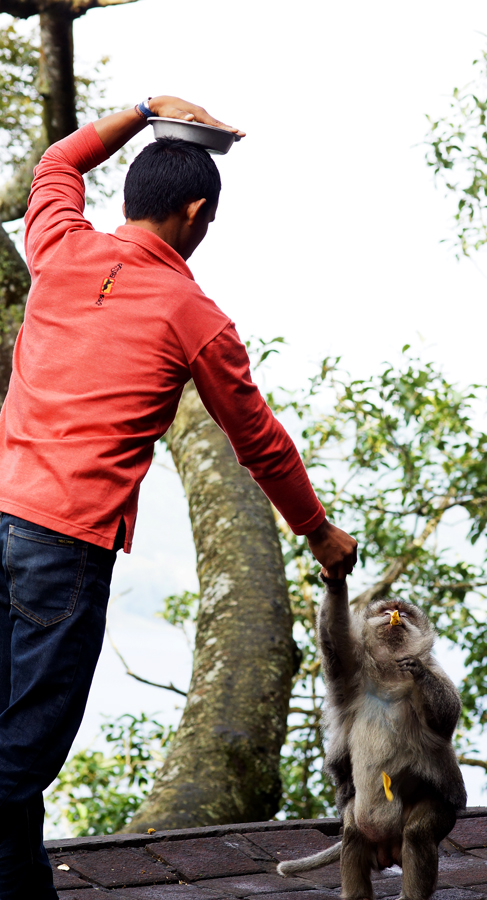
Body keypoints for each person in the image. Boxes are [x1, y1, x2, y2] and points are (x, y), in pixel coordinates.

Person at [0, 96, 357, 898]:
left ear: (128, 199)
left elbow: (55, 166)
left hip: (1, 516)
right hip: (63, 552)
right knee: (17, 759)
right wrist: (319, 533)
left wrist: (144, 109)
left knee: (8, 755)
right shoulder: (193, 313)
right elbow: (258, 441)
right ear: (196, 214)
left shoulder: (57, 246)